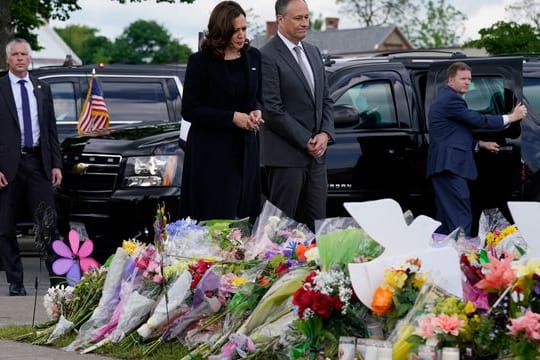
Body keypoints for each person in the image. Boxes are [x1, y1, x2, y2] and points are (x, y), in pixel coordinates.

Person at [179, 1, 264, 222]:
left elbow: (257, 97)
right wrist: (231, 117)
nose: (241, 35)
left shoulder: (254, 57)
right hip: (211, 153)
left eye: (244, 29)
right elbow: (190, 109)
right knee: (218, 218)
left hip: (246, 150)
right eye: (235, 30)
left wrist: (256, 111)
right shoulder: (200, 62)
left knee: (246, 216)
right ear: (221, 31)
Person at [426, 61, 526, 236]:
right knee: (460, 215)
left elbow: (453, 133)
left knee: (445, 219)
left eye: (469, 79)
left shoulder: (446, 99)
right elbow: (478, 120)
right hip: (450, 166)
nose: (467, 82)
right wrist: (511, 117)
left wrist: (479, 144)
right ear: (450, 81)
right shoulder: (451, 101)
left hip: (444, 166)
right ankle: (463, 259)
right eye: (463, 78)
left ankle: (443, 255)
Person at [260, 0, 335, 230]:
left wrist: (324, 133)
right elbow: (272, 109)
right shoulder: (266, 55)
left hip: (316, 159)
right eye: (298, 18)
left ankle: (315, 268)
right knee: (281, 229)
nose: (305, 23)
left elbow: (326, 100)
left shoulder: (312, 52)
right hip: (285, 159)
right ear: (280, 20)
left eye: (306, 17)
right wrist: (306, 140)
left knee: (316, 227)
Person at [0, 38, 63, 295]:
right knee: (5, 226)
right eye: (14, 54)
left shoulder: (41, 88)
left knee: (47, 223)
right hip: (8, 167)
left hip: (39, 163)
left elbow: (51, 129)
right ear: (7, 59)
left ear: (30, 58)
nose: (19, 58)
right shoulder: (1, 87)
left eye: (23, 54)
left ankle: (58, 281)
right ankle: (16, 283)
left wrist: (56, 164)